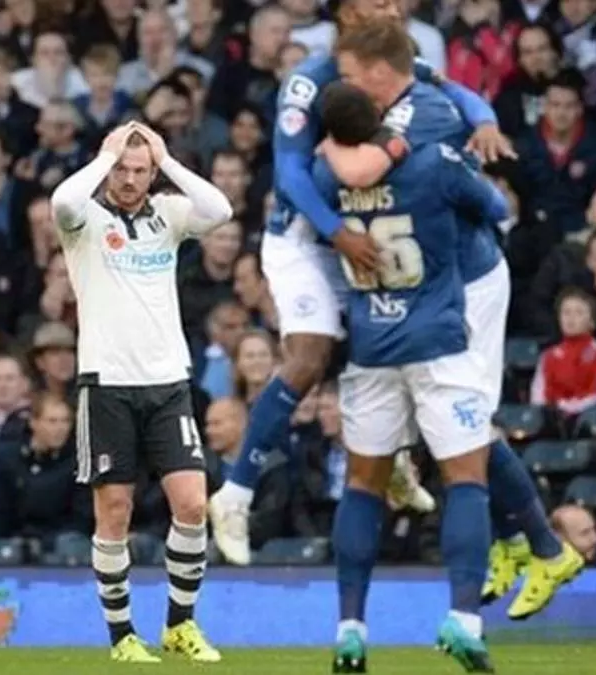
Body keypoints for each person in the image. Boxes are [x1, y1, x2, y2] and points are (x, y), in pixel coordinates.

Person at [207, 0, 516, 566]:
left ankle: (393, 458)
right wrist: (334, 231)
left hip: (362, 233)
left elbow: (457, 92)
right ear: (347, 11)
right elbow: (291, 175)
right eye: (377, 0)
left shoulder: (387, 63)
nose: (392, 8)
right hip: (305, 237)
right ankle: (235, 494)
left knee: (386, 348)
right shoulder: (309, 80)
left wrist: (486, 122)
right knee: (310, 356)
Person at [318, 18, 584, 621]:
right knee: (461, 429)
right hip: (432, 284)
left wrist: (326, 148)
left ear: (379, 74)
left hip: (470, 282)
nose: (345, 83)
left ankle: (543, 548)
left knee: (465, 428)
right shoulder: (412, 95)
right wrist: (482, 116)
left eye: (351, 75)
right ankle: (522, 544)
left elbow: (365, 172)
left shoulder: (426, 118)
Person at [316, 81, 508, 674]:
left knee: (363, 487)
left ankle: (350, 630)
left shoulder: (325, 178)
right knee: (466, 480)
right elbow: (496, 209)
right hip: (438, 342)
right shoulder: (433, 162)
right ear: (380, 114)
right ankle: (463, 619)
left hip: (371, 345)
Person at [49, 121, 233, 663]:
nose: (129, 180)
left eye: (140, 170)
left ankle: (180, 625)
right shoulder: (84, 220)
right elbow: (62, 201)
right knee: (114, 511)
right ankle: (122, 635)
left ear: (152, 175)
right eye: (121, 169)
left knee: (193, 504)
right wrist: (104, 158)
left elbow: (220, 210)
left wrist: (167, 159)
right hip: (106, 383)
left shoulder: (168, 215)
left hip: (168, 381)